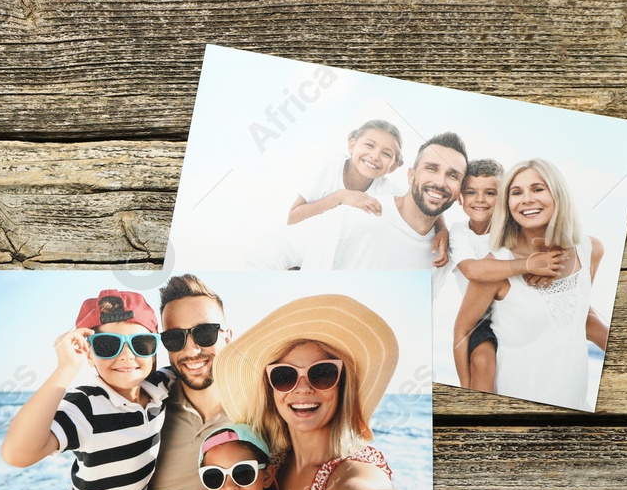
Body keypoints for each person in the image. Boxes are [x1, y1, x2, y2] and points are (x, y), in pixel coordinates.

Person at [213, 294, 432, 490]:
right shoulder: (272, 461)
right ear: (270, 389)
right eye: (285, 376)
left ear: (342, 385)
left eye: (322, 373)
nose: (303, 388)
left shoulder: (352, 473)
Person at [0, 289, 171, 490]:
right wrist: (66, 368)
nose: (127, 355)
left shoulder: (160, 386)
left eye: (141, 342)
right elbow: (17, 454)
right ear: (90, 355)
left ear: (154, 351)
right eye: (107, 345)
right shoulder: (86, 405)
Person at [85, 273, 234, 490]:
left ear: (227, 336)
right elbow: (99, 482)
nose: (191, 350)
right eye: (175, 338)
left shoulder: (260, 410)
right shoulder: (146, 408)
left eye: (205, 333)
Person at [451, 159, 608, 410]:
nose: (526, 199)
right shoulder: (495, 267)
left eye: (537, 189)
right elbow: (461, 331)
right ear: (508, 204)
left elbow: (578, 315)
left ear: (558, 193)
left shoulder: (590, 250)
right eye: (516, 192)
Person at [252, 132, 468, 271]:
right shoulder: (357, 212)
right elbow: (270, 251)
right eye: (431, 168)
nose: (440, 181)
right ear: (411, 175)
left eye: (453, 176)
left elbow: (428, 203)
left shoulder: (443, 254)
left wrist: (442, 228)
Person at [434, 159, 504, 392]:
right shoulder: (459, 232)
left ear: (503, 197)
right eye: (471, 192)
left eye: (490, 193)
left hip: (513, 313)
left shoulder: (510, 233)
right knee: (481, 360)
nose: (480, 199)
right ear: (459, 197)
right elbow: (472, 271)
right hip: (480, 319)